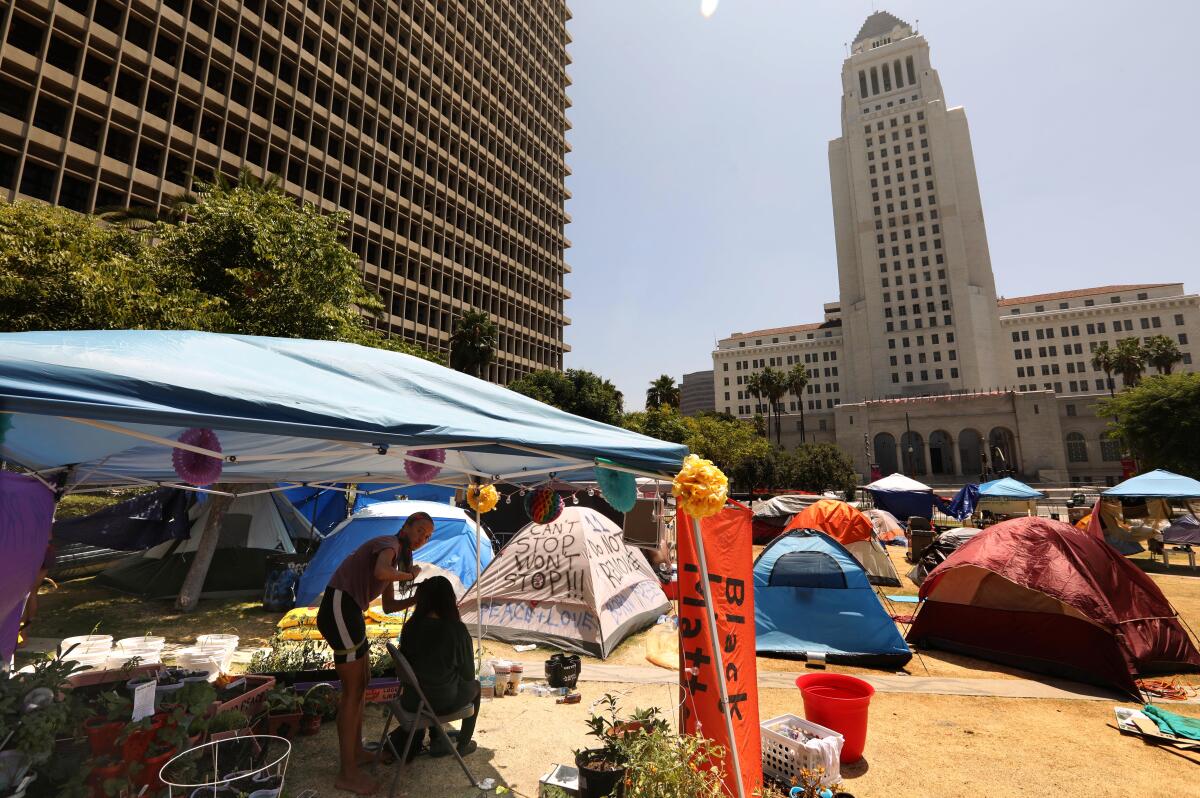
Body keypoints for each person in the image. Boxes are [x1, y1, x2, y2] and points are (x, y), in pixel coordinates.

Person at [316, 511, 434, 795]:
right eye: (419, 531)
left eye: (428, 536)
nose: (422, 539)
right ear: (405, 527)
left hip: (352, 611)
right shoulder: (389, 545)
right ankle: (347, 773)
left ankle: (356, 753)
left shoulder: (397, 556)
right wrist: (411, 574)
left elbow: (391, 605)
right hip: (339, 608)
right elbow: (381, 572)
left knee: (363, 681)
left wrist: (422, 596)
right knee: (353, 690)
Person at [388, 575, 480, 760]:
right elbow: (468, 675)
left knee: (432, 683)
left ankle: (439, 738)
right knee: (475, 687)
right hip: (440, 704)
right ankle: (463, 743)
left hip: (412, 701)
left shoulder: (411, 627)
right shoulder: (456, 631)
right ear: (449, 601)